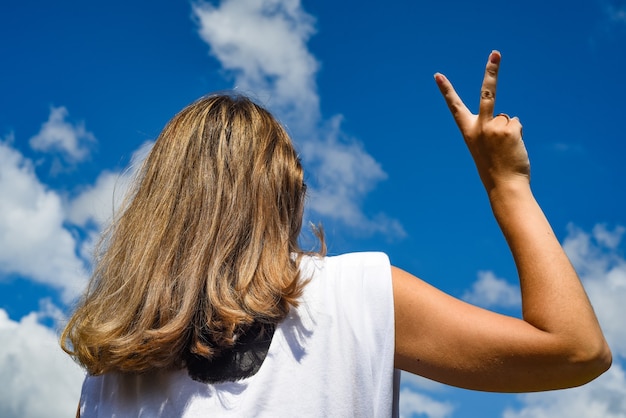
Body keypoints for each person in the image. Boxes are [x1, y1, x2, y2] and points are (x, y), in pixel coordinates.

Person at [61, 51, 611, 417]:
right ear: (282, 193)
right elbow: (576, 351)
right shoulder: (355, 294)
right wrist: (507, 185)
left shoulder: (105, 383)